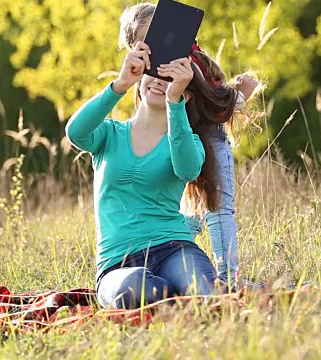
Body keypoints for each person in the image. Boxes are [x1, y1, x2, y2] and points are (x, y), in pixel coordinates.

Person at [65, 40, 238, 309]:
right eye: (154, 73)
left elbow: (188, 169)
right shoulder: (109, 134)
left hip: (175, 249)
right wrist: (119, 84)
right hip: (117, 264)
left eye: (169, 79)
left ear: (186, 95)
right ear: (140, 79)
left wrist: (174, 102)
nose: (159, 81)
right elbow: (75, 132)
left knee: (207, 295)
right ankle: (174, 298)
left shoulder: (187, 141)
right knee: (144, 293)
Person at [119, 3, 262, 289]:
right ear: (137, 43)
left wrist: (232, 92)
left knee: (197, 213)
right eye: (151, 38)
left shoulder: (191, 59)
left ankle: (175, 259)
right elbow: (212, 104)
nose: (164, 42)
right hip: (191, 141)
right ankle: (227, 279)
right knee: (215, 209)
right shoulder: (151, 69)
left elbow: (209, 97)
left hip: (201, 138)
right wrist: (240, 96)